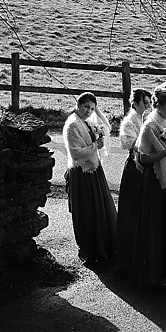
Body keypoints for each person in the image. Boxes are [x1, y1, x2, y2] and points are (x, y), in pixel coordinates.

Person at [129, 87, 166, 287]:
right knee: (157, 224)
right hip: (154, 180)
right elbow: (143, 158)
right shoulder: (150, 126)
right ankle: (157, 273)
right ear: (159, 105)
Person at [62, 92, 117, 266]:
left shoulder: (87, 121)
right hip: (82, 173)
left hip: (94, 170)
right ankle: (91, 250)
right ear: (78, 105)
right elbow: (75, 153)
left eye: (92, 108)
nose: (89, 111)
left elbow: (106, 127)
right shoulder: (72, 125)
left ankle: (105, 246)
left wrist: (96, 112)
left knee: (100, 208)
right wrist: (95, 146)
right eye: (86, 107)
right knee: (88, 211)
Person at [115, 89, 151, 269]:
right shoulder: (130, 121)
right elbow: (127, 144)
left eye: (149, 102)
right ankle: (130, 253)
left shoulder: (147, 118)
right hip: (135, 167)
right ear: (135, 104)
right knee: (133, 208)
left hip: (148, 165)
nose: (148, 106)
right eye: (144, 103)